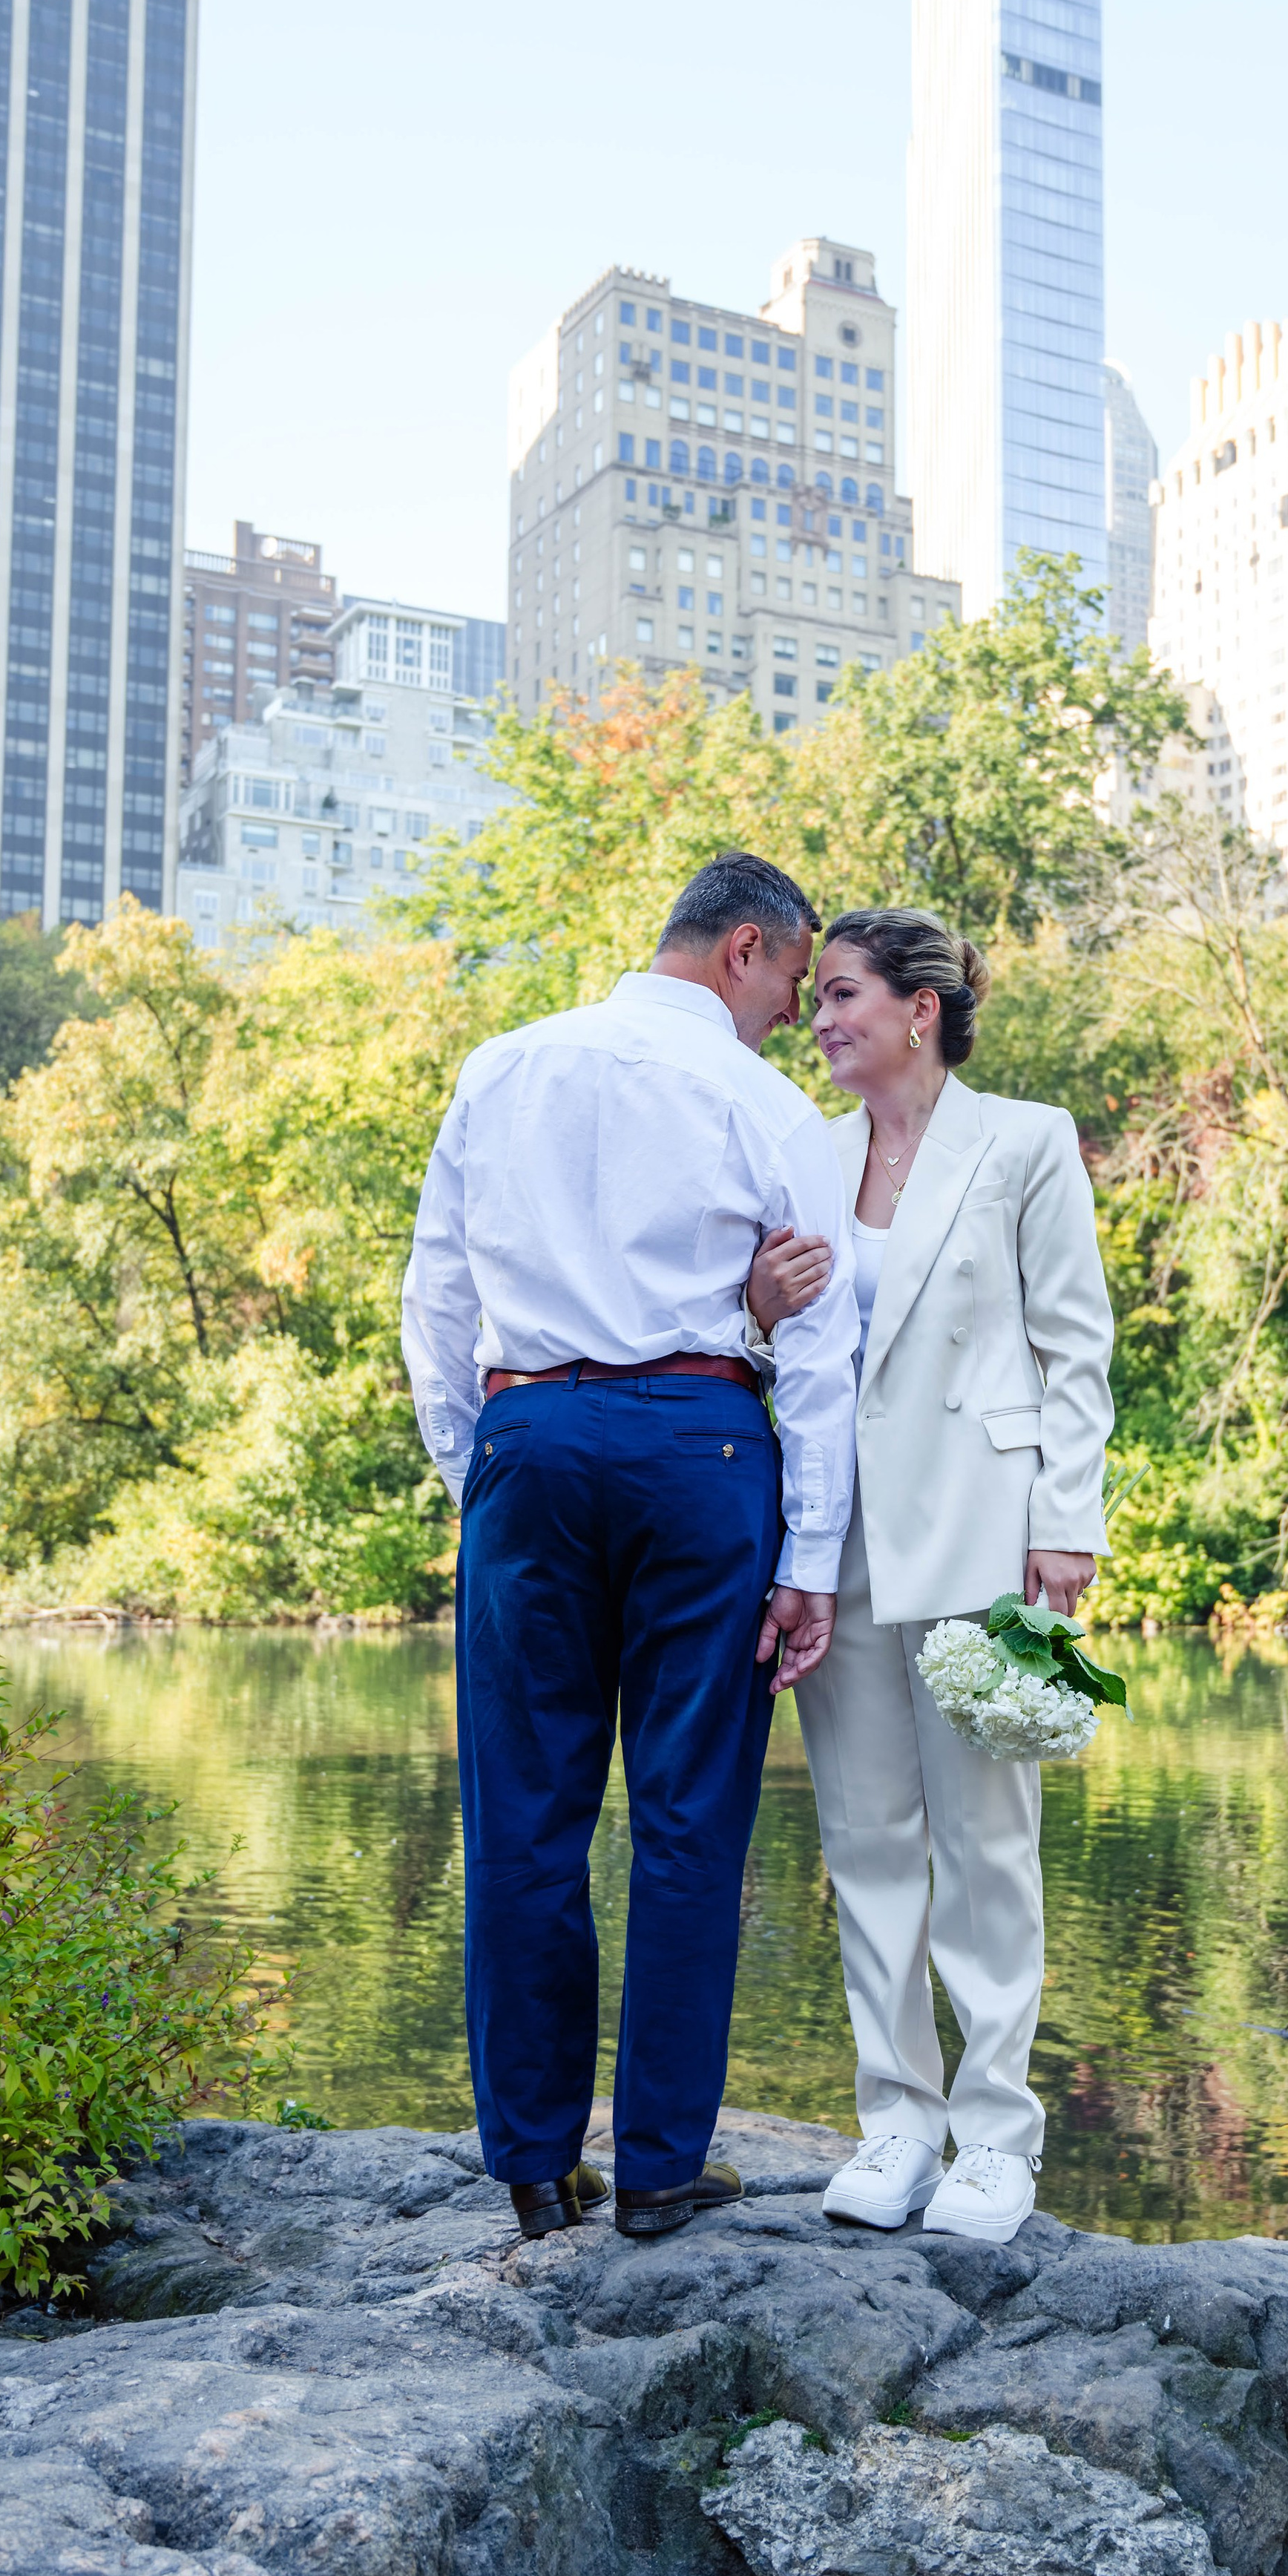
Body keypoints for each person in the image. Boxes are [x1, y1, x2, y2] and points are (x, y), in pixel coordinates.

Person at [401, 853, 858, 2244]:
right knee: (686, 1819)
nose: (793, 1013)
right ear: (740, 951)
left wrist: (473, 1465)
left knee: (524, 1815)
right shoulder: (759, 1099)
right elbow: (824, 1342)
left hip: (529, 1441)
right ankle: (660, 2164)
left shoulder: (503, 1065)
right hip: (700, 1450)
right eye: (791, 978)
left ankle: (537, 2167)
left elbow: (438, 1293)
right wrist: (813, 1554)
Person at [746, 908, 1113, 2245]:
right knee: (867, 1843)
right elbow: (783, 1342)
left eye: (841, 994)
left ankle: (997, 2140)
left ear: (922, 1007)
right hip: (836, 1542)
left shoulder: (1023, 1141)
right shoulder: (809, 1152)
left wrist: (1067, 1522)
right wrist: (762, 1308)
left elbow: (1076, 1345)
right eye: (817, 996)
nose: (819, 1017)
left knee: (985, 1844)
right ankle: (896, 2125)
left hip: (983, 1525)